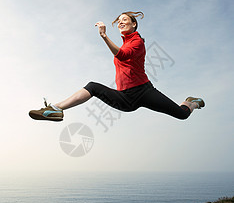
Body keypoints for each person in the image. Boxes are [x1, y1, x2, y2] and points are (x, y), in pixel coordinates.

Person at [29, 11, 205, 122]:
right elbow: (122, 54)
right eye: (119, 20)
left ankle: (191, 102)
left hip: (144, 91)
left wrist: (104, 35)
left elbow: (123, 55)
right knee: (93, 87)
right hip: (125, 98)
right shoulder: (126, 43)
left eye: (124, 20)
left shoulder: (138, 42)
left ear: (134, 24)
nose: (120, 22)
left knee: (182, 114)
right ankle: (55, 109)